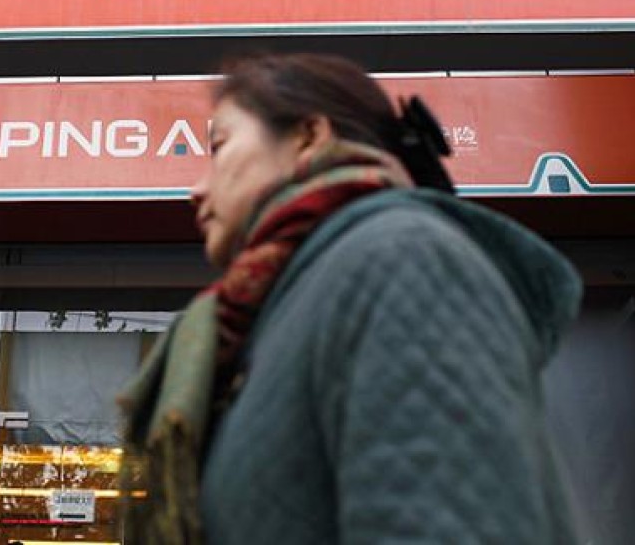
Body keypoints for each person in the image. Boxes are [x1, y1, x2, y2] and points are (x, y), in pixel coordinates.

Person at [118, 53, 580, 544]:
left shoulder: (401, 259)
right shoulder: (278, 314)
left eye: (219, 146)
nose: (196, 189)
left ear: (309, 136)